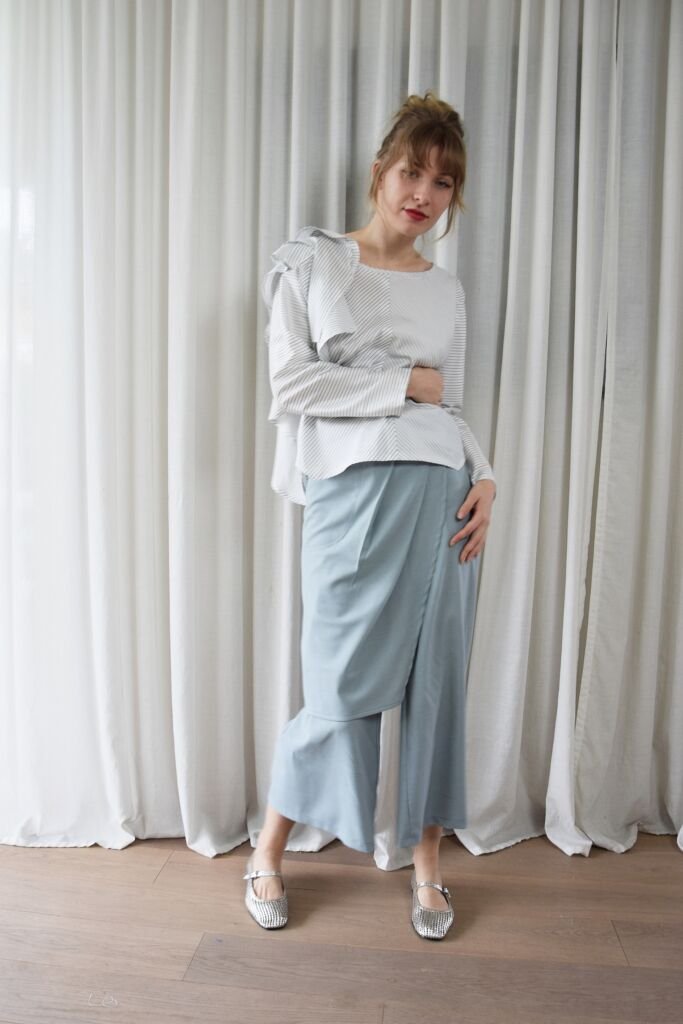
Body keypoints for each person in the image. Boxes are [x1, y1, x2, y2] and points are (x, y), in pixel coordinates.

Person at [244, 91, 496, 940]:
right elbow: (293, 384)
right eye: (411, 172)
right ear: (379, 172)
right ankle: (268, 849)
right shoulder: (311, 263)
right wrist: (402, 384)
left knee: (436, 685)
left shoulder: (446, 290)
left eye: (443, 182)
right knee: (339, 682)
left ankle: (426, 863)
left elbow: (449, 405)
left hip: (444, 496)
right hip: (352, 496)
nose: (423, 193)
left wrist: (486, 477)